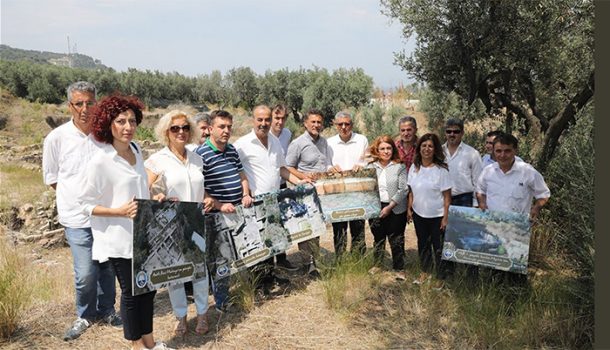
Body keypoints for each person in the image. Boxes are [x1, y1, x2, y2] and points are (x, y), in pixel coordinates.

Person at [79, 95, 172, 350]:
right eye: (121, 121)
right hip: (118, 238)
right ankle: (136, 346)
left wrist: (155, 196)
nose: (127, 126)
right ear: (108, 123)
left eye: (132, 120)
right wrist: (118, 211)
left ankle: (150, 342)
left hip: (144, 233)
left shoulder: (137, 150)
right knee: (131, 293)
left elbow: (141, 187)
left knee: (148, 288)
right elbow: (85, 204)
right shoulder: (101, 161)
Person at [42, 81, 120, 341]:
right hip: (76, 217)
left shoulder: (105, 136)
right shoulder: (56, 138)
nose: (85, 108)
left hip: (105, 215)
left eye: (90, 102)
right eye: (79, 103)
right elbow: (53, 178)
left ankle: (108, 309)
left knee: (107, 267)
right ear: (70, 106)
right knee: (86, 271)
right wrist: (75, 198)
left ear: (96, 103)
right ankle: (86, 314)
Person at [144, 110, 210, 337]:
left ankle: (202, 314)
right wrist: (157, 197)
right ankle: (180, 317)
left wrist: (208, 198)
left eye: (185, 127)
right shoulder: (156, 160)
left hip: (196, 221)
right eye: (175, 128)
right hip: (170, 224)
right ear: (166, 132)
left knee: (200, 271)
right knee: (175, 274)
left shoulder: (197, 158)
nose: (180, 132)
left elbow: (203, 188)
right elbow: (144, 188)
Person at [234, 105, 308, 293]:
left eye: (267, 119)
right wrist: (244, 194)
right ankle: (258, 284)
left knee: (271, 242)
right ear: (253, 120)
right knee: (257, 246)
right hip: (254, 203)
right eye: (260, 119)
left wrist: (299, 182)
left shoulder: (275, 142)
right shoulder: (241, 144)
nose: (264, 123)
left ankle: (269, 276)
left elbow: (282, 170)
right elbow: (236, 172)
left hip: (274, 201)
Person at [195, 109, 253, 312]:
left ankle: (244, 289)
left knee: (240, 253)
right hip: (215, 216)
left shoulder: (232, 150)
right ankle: (221, 302)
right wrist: (219, 205)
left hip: (237, 211)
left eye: (229, 126)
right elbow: (198, 189)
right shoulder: (200, 155)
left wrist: (245, 193)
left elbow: (242, 175)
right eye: (221, 126)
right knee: (220, 258)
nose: (226, 130)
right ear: (210, 128)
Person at [285, 108, 335, 278]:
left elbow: (324, 164)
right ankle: (307, 264)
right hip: (302, 192)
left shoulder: (324, 142)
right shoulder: (298, 143)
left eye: (319, 122)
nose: (316, 125)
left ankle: (315, 261)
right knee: (305, 228)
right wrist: (303, 176)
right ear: (305, 123)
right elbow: (288, 167)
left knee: (317, 226)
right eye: (312, 122)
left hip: (319, 192)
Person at [407, 133, 452, 288]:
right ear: (419, 148)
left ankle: (441, 277)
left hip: (437, 216)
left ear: (435, 150)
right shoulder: (414, 167)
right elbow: (411, 190)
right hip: (420, 215)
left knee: (438, 247)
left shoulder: (441, 170)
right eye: (424, 146)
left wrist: (445, 218)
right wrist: (409, 208)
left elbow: (447, 197)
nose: (426, 149)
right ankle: (425, 272)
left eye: (430, 146)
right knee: (423, 245)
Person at [476, 133, 550, 222]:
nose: (502, 155)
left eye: (507, 151)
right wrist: (482, 203)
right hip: (491, 228)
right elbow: (480, 190)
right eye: (498, 151)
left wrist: (535, 209)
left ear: (515, 150)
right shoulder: (488, 171)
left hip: (517, 229)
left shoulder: (527, 171)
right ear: (494, 151)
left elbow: (544, 194)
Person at [366, 135, 408, 280]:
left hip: (395, 207)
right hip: (375, 207)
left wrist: (389, 207)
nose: (386, 151)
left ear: (393, 149)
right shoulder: (370, 167)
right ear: (377, 150)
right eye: (382, 148)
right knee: (378, 237)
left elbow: (403, 189)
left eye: (389, 148)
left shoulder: (399, 166)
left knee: (396, 238)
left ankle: (399, 268)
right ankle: (378, 264)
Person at [327, 111, 369, 256]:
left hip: (358, 191)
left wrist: (362, 166)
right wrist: (330, 168)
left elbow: (367, 161)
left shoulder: (362, 139)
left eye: (347, 124)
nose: (344, 127)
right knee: (339, 228)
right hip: (337, 192)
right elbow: (326, 164)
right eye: (340, 124)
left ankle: (358, 258)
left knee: (358, 226)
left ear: (352, 124)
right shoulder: (329, 142)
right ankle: (340, 260)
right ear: (335, 125)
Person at [442, 119, 482, 207]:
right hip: (441, 198)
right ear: (445, 133)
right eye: (449, 131)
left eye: (456, 131)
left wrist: (475, 203)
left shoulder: (472, 153)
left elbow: (478, 181)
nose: (452, 134)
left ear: (462, 133)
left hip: (464, 200)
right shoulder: (439, 152)